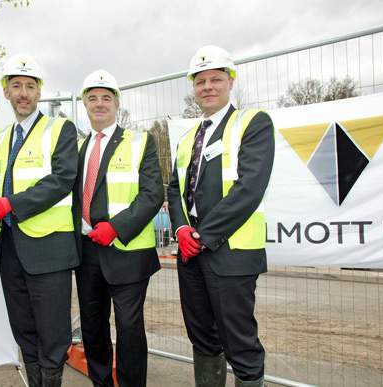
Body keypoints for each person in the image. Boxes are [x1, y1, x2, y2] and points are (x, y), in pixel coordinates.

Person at [167, 45, 275, 387]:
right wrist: (182, 228)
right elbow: (173, 189)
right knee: (202, 338)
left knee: (239, 342)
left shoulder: (252, 123)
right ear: (193, 88)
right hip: (192, 253)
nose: (208, 86)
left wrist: (202, 236)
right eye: (200, 81)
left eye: (216, 79)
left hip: (230, 253)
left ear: (230, 81)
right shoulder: (187, 139)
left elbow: (249, 189)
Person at [0, 53, 79, 387]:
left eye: (29, 86)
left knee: (53, 334)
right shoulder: (3, 137)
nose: (23, 93)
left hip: (49, 250)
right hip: (11, 252)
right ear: (5, 91)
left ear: (39, 92)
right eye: (16, 86)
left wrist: (9, 205)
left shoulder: (60, 128)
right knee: (24, 330)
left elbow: (62, 179)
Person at [74, 69, 163, 387]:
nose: (99, 104)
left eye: (106, 98)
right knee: (93, 327)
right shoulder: (79, 148)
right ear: (85, 104)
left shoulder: (141, 142)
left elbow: (153, 194)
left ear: (117, 103)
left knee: (128, 329)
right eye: (93, 98)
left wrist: (115, 228)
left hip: (127, 252)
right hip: (86, 253)